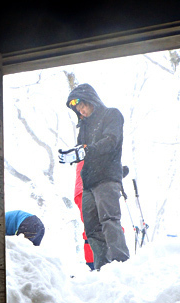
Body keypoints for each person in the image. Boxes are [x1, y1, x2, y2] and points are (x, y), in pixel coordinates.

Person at [59, 83, 129, 269]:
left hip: (106, 178)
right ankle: (102, 268)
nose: (80, 109)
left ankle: (121, 265)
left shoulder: (111, 115)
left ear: (91, 100)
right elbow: (81, 150)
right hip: (88, 182)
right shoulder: (84, 127)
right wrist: (71, 155)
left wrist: (88, 150)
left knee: (109, 220)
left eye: (82, 104)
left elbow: (111, 141)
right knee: (91, 228)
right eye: (76, 108)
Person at [73, 161, 95, 270]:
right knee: (95, 226)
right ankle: (93, 265)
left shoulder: (86, 151)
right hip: (87, 190)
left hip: (83, 190)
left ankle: (92, 265)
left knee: (91, 227)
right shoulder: (90, 151)